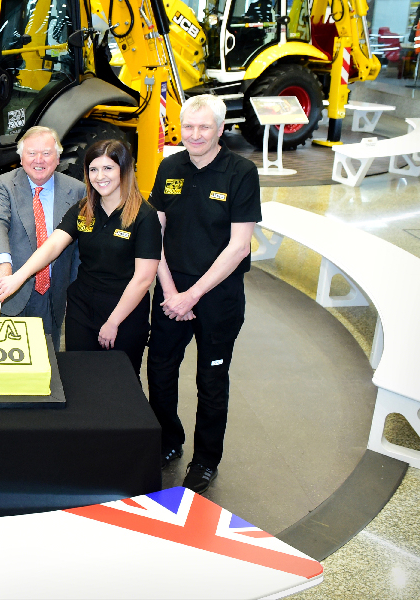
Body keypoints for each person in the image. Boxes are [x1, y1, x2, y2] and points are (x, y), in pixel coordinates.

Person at [147, 94, 261, 494]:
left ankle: (205, 460)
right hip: (170, 292)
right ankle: (168, 439)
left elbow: (239, 247)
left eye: (204, 127)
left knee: (211, 379)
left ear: (220, 128)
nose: (195, 135)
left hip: (217, 297)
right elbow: (154, 232)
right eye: (188, 126)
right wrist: (170, 290)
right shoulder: (169, 166)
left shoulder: (241, 172)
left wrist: (191, 295)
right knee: (160, 370)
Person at [0, 139, 160, 376]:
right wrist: (18, 277)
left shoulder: (144, 215)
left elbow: (143, 279)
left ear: (124, 169)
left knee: (120, 383)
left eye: (108, 168)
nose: (100, 176)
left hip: (124, 311)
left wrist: (113, 322)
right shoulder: (84, 208)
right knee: (78, 379)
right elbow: (53, 246)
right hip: (82, 309)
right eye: (93, 169)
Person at [0, 126, 84, 339]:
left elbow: (78, 248)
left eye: (46, 153)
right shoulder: (3, 185)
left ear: (58, 158)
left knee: (47, 355)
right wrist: (2, 264)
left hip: (53, 295)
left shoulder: (77, 190)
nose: (39, 160)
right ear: (21, 158)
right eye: (31, 153)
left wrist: (74, 290)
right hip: (9, 291)